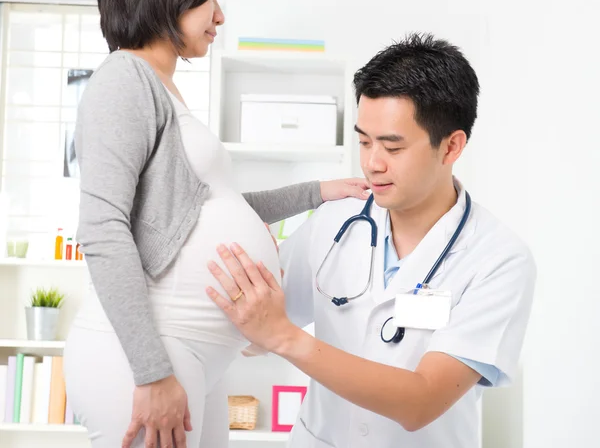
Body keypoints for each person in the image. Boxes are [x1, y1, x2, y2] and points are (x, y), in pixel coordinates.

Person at [62, 0, 369, 447]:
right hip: (152, 352)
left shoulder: (163, 87)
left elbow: (208, 209)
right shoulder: (124, 79)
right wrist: (152, 374)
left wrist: (317, 191)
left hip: (192, 352)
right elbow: (103, 229)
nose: (220, 16)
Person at [207, 33, 536, 448]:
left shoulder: (499, 259)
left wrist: (284, 337)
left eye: (392, 147)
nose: (371, 163)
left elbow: (422, 400)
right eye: (364, 141)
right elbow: (259, 329)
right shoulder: (335, 221)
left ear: (451, 146)